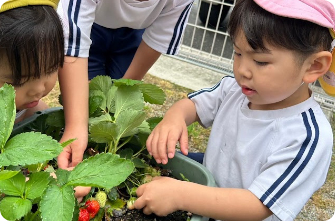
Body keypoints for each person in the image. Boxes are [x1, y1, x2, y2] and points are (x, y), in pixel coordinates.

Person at [134, 0, 335, 220]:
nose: (242, 70)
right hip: (204, 203)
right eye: (238, 53)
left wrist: (180, 195)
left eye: (260, 61)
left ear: (313, 66)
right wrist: (174, 118)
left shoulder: (307, 137)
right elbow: (192, 106)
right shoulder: (235, 89)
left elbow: (258, 204)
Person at [56, 0, 195, 170]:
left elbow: (158, 38)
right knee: (88, 100)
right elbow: (72, 44)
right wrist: (75, 126)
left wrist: (119, 99)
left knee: (116, 99)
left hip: (135, 32)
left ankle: (103, 154)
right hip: (91, 25)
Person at [0, 0, 90, 202]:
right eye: (19, 80)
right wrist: (39, 185)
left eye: (50, 68)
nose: (40, 89)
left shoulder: (31, 107)